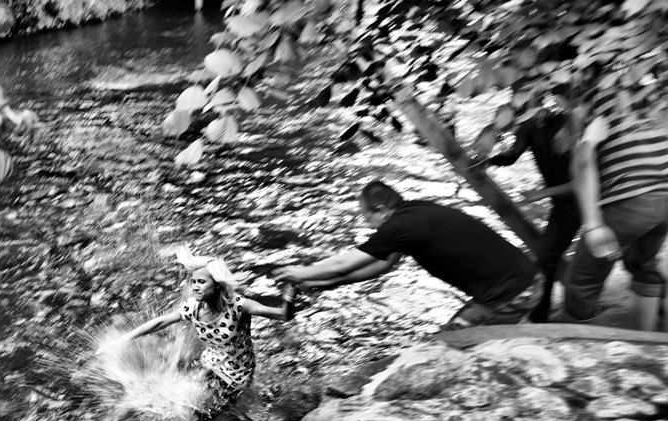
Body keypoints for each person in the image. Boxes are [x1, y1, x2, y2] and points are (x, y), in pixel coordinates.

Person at [275, 180, 541, 330]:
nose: (368, 225)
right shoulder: (416, 212)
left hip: (513, 294)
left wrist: (298, 273)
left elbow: (344, 263)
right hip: (522, 282)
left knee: (448, 347)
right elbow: (381, 266)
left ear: (381, 210)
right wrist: (322, 283)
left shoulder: (399, 226)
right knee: (448, 340)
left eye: (367, 217)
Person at [109, 245, 296, 414]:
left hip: (236, 375)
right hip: (210, 362)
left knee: (201, 415)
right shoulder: (194, 307)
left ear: (217, 284)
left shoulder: (240, 306)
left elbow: (283, 315)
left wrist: (289, 296)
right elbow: (161, 322)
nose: (195, 287)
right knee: (171, 385)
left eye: (201, 282)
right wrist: (124, 339)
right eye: (193, 282)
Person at [562, 88, 668, 330]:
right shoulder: (653, 90)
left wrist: (593, 224)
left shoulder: (592, 99)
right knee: (643, 263)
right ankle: (649, 340)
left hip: (632, 199)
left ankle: (579, 343)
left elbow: (583, 162)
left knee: (581, 279)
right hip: (665, 196)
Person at [487, 106, 581, 322]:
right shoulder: (541, 124)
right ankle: (542, 313)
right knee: (549, 259)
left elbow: (578, 184)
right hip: (568, 203)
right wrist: (489, 161)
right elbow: (511, 156)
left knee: (547, 261)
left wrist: (540, 193)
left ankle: (540, 315)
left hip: (573, 202)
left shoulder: (541, 126)